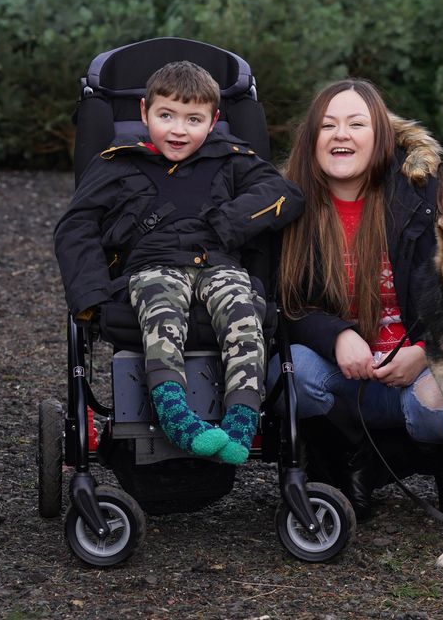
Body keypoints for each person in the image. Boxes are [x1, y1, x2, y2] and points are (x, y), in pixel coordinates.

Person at [273, 78, 443, 520]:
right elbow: (285, 305)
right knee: (290, 375)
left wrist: (424, 351)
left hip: (419, 368)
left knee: (442, 401)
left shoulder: (424, 196)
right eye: (328, 125)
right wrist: (336, 336)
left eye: (356, 124)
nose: (341, 134)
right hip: (347, 376)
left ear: (381, 135)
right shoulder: (289, 205)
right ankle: (352, 457)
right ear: (311, 139)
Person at [55, 61, 302, 465]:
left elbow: (285, 195)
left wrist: (229, 221)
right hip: (153, 265)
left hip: (219, 263)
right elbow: (76, 226)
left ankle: (241, 420)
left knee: (242, 308)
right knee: (162, 306)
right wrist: (91, 298)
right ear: (144, 113)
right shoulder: (117, 163)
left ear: (213, 121)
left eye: (193, 119)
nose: (178, 130)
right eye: (166, 115)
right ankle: (175, 415)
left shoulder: (231, 159)